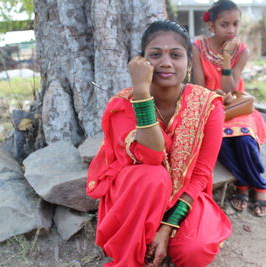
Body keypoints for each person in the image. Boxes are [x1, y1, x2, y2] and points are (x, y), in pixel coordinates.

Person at [86, 20, 231, 267]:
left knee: (194, 252)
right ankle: (132, 250)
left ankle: (160, 236)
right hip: (138, 195)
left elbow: (200, 175)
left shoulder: (208, 105)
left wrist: (166, 228)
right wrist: (142, 93)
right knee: (155, 176)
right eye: (155, 55)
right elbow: (152, 156)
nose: (165, 62)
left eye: (176, 55)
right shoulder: (124, 104)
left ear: (188, 63)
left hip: (185, 196)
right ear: (141, 62)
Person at [192, 0, 266, 217]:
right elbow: (199, 85)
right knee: (221, 142)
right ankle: (244, 183)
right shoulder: (198, 47)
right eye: (225, 24)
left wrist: (226, 57)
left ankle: (260, 185)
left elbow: (231, 88)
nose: (231, 30)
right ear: (212, 25)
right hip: (209, 106)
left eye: (235, 24)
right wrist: (213, 95)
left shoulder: (242, 51)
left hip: (237, 107)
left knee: (244, 140)